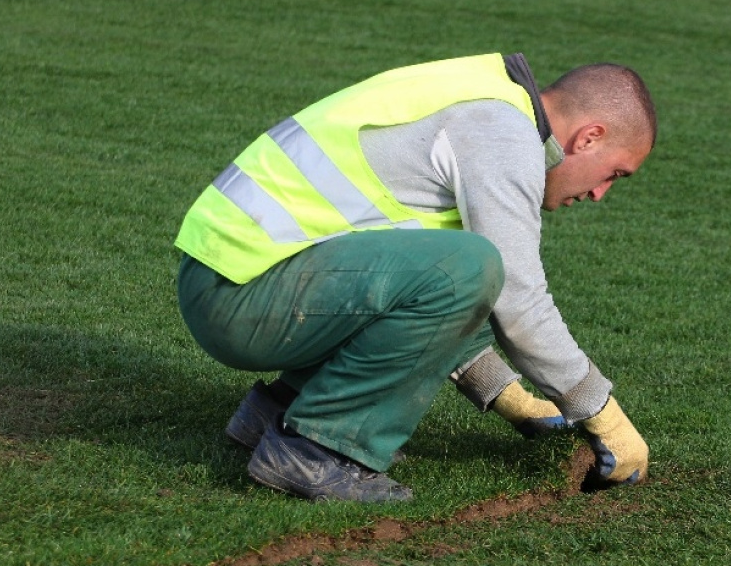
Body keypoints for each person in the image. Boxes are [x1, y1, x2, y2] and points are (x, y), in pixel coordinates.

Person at [174, 53, 655, 502]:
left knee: (464, 266)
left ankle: (280, 410)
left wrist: (510, 398)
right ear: (589, 137)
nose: (600, 193)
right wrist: (601, 414)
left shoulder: (488, 97)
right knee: (474, 264)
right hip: (240, 297)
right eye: (615, 173)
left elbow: (431, 297)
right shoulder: (502, 132)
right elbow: (513, 294)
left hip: (231, 278)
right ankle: (318, 449)